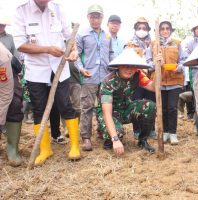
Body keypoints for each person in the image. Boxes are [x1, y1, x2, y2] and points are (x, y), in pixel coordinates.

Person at [12, 0, 80, 166]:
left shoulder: (58, 9)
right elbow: (20, 45)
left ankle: (75, 146)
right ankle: (45, 149)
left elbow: (69, 36)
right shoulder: (21, 11)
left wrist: (74, 50)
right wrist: (47, 49)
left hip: (59, 67)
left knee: (65, 104)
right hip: (36, 70)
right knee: (39, 109)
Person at [97, 48, 156, 154]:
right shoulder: (108, 82)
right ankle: (106, 134)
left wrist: (158, 69)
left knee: (150, 106)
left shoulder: (137, 75)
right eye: (125, 66)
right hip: (110, 112)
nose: (129, 69)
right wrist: (115, 139)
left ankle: (142, 140)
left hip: (125, 109)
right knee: (118, 134)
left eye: (133, 66)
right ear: (119, 66)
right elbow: (106, 113)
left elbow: (153, 87)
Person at [75, 4, 114, 151]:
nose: (95, 19)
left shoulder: (107, 34)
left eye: (98, 16)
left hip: (105, 76)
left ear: (102, 18)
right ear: (88, 17)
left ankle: (103, 131)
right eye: (92, 16)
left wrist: (113, 66)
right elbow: (76, 55)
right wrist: (81, 68)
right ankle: (86, 137)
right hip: (89, 75)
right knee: (87, 107)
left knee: (105, 106)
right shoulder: (82, 34)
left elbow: (110, 53)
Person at [146, 21, 184, 144]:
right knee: (162, 109)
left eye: (168, 28)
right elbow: (147, 63)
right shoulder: (152, 44)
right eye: (162, 29)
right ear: (158, 31)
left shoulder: (177, 43)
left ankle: (173, 133)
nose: (165, 31)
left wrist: (176, 67)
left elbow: (183, 61)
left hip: (174, 80)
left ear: (171, 30)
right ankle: (165, 132)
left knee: (172, 108)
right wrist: (155, 63)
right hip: (159, 81)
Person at [126, 17, 156, 139]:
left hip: (150, 78)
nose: (141, 30)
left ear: (148, 30)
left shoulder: (154, 43)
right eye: (139, 28)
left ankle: (151, 129)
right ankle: (137, 129)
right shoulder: (129, 44)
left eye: (144, 28)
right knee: (136, 102)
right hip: (136, 78)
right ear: (135, 29)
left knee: (151, 103)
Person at [0, 13, 24, 167]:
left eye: (3, 25)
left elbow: (16, 59)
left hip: (7, 73)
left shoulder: (9, 39)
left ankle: (12, 148)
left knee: (14, 104)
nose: (1, 27)